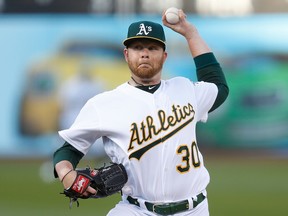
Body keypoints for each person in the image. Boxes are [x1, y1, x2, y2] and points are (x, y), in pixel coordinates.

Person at [53, 9, 229, 216]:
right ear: (126, 55)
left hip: (193, 210)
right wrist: (67, 174)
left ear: (164, 56)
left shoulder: (185, 89)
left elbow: (218, 86)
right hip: (136, 210)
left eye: (152, 48)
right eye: (137, 47)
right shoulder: (104, 104)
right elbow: (68, 151)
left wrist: (191, 34)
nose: (144, 53)